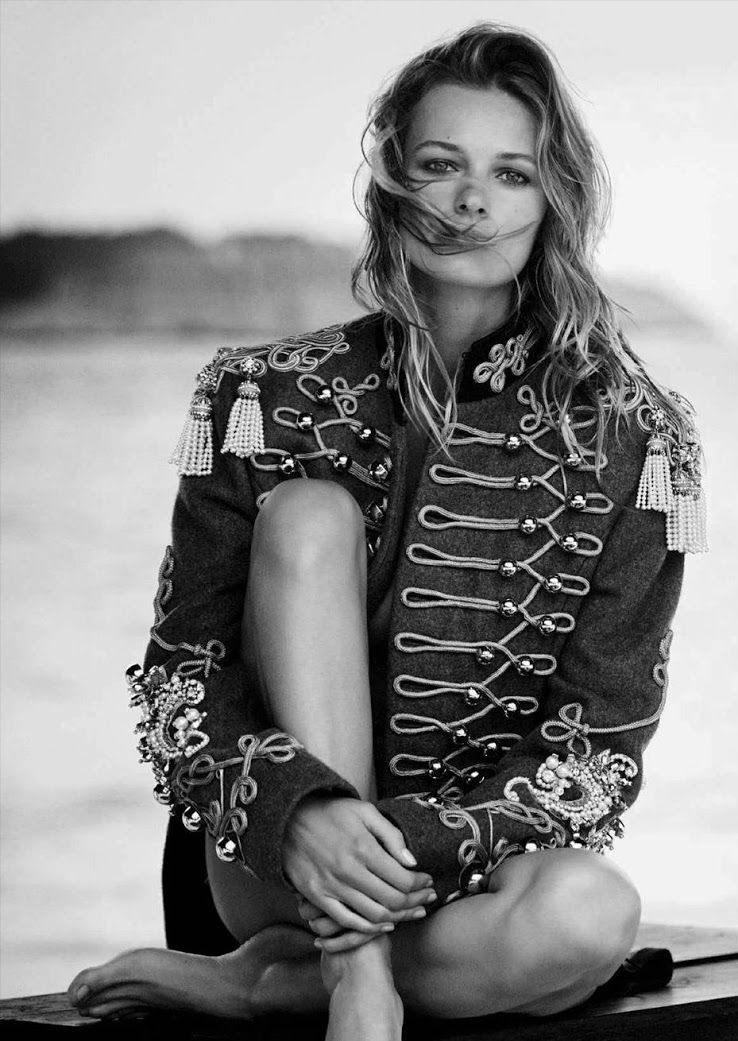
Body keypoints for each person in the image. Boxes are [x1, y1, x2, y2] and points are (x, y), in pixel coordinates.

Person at [68, 23, 705, 1040]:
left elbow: (598, 749)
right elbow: (183, 685)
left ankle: (265, 987)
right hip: (275, 856)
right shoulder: (259, 395)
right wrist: (309, 818)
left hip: (468, 870)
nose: (471, 201)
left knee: (593, 914)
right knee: (306, 512)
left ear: (552, 203)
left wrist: (412, 842)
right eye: (441, 165)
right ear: (391, 182)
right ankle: (357, 978)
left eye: (511, 174)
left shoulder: (632, 437)